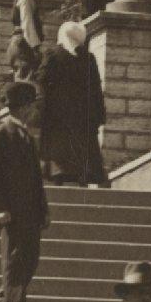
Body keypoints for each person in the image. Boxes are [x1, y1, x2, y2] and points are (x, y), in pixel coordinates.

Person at [0, 80, 47, 302]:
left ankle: (4, 298)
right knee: (13, 258)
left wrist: (44, 209)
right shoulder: (0, 133)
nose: (34, 111)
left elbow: (36, 180)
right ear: (22, 107)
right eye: (31, 106)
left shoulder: (26, 136)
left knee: (30, 258)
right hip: (11, 209)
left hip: (30, 210)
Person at [37, 20, 107, 186]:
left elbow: (41, 80)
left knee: (61, 161)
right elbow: (96, 89)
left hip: (58, 117)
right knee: (81, 160)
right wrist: (98, 116)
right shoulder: (88, 58)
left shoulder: (53, 55)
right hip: (83, 118)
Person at [8, 0, 48, 84]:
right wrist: (36, 47)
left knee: (22, 79)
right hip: (24, 46)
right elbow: (27, 24)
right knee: (27, 81)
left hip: (18, 42)